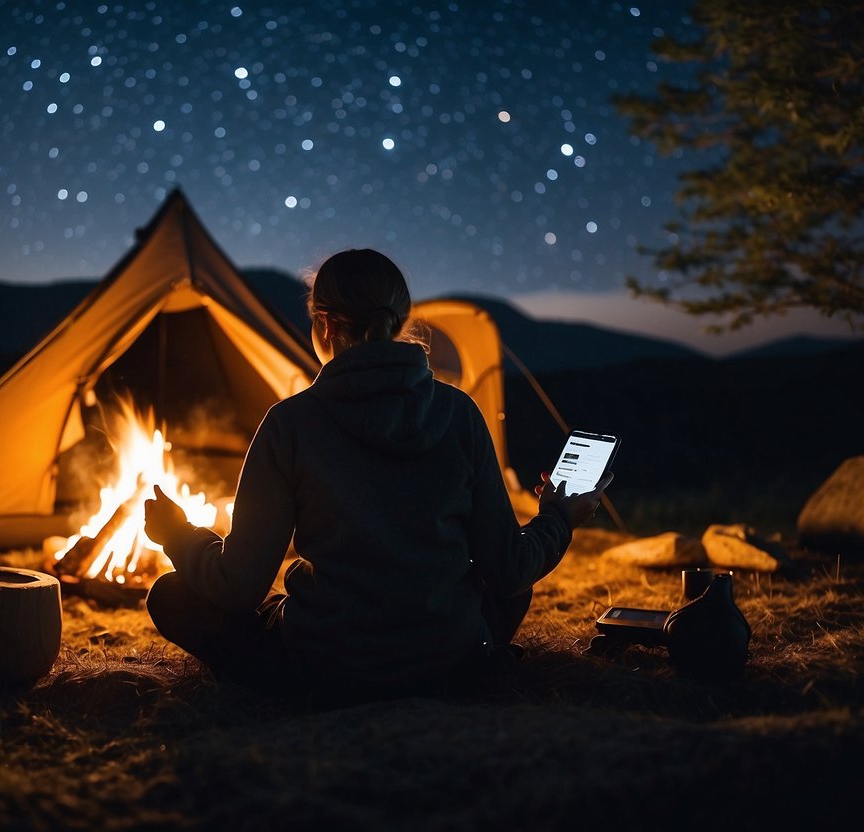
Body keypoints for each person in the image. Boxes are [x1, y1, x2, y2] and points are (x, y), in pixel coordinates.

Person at [144, 248, 610, 704]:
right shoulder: (459, 413)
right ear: (400, 323)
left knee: (171, 595)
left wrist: (178, 535)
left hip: (326, 666)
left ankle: (308, 683)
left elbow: (238, 586)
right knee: (504, 580)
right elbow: (510, 568)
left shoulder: (292, 423)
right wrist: (558, 517)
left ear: (324, 324)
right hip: (447, 657)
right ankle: (461, 661)